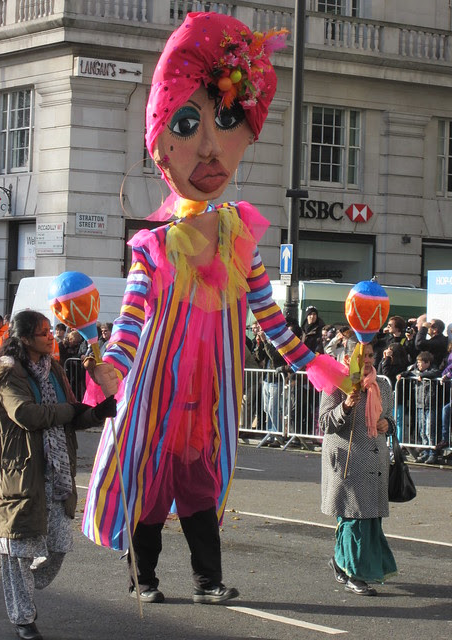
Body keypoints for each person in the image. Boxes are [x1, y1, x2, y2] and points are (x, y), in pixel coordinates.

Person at [82, 12, 346, 606]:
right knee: (148, 488)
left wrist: (316, 366)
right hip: (155, 394)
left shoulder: (239, 239)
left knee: (202, 491)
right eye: (186, 124)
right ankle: (144, 579)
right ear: (161, 144)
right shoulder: (153, 246)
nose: (208, 147)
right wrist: (110, 371)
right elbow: (131, 323)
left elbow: (270, 318)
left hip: (209, 395)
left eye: (226, 122)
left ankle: (207, 580)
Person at [0, 310, 116, 640]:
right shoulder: (6, 371)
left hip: (57, 471)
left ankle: (23, 586)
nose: (50, 336)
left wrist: (97, 412)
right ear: (25, 338)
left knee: (58, 546)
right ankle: (23, 617)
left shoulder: (54, 368)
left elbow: (71, 414)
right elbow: (26, 414)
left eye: (49, 331)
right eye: (43, 333)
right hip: (22, 472)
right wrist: (71, 411)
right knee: (18, 549)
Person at [320, 340, 397, 596]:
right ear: (348, 357)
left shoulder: (382, 384)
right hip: (347, 461)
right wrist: (345, 406)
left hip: (375, 461)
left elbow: (390, 418)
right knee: (353, 519)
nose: (367, 361)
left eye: (371, 356)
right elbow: (325, 423)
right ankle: (355, 574)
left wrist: (387, 424)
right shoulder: (335, 383)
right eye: (361, 356)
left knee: (370, 519)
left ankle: (341, 562)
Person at [398, 351, 441, 464]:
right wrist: (401, 374)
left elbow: (436, 373)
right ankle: (425, 452)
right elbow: (408, 372)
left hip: (430, 404)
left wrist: (422, 376)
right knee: (422, 430)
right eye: (417, 362)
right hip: (419, 404)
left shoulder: (433, 370)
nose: (418, 364)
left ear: (427, 363)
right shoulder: (415, 371)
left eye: (420, 362)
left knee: (429, 430)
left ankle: (432, 453)